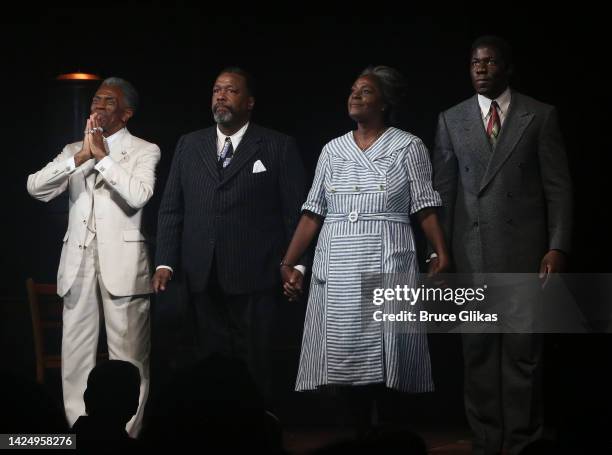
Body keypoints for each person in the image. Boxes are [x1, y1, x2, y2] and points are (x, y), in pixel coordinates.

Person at [431, 35, 572, 454]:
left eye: (490, 62)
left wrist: (558, 247)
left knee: (523, 356)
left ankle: (522, 442)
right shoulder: (450, 119)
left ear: (506, 68)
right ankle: (487, 440)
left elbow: (559, 189)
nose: (480, 68)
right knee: (477, 354)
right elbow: (442, 192)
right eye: (475, 62)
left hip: (525, 255)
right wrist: (440, 251)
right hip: (472, 254)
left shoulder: (539, 115)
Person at [281, 66, 449, 411]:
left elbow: (425, 205)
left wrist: (439, 252)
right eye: (353, 90)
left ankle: (383, 435)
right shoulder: (332, 150)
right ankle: (355, 435)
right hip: (339, 256)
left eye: (366, 91)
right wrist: (289, 262)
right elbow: (313, 212)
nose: (355, 95)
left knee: (387, 361)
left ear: (385, 102)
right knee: (343, 357)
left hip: (385, 252)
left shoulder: (407, 145)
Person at [153, 67, 307, 403]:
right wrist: (165, 262)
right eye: (216, 90)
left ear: (249, 101)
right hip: (201, 276)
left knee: (255, 365)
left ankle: (258, 431)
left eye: (230, 90)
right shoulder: (189, 144)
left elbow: (295, 214)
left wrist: (296, 264)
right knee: (208, 367)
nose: (221, 96)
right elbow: (171, 209)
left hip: (256, 275)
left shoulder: (277, 145)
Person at [27, 77, 160, 436]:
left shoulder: (145, 150)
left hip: (124, 264)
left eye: (109, 102)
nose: (98, 106)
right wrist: (82, 157)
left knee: (129, 357)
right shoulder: (74, 148)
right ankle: (77, 434)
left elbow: (138, 196)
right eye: (96, 100)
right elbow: (35, 187)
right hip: (78, 262)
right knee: (75, 355)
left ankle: (128, 435)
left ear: (126, 113)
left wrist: (102, 159)